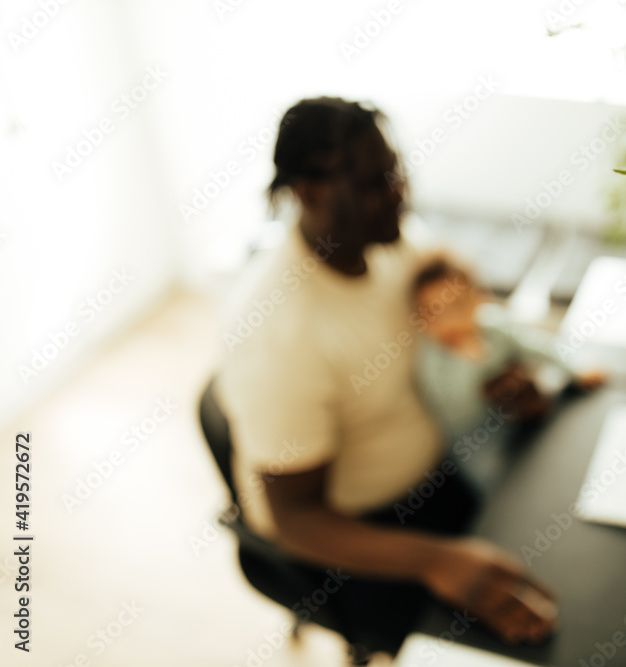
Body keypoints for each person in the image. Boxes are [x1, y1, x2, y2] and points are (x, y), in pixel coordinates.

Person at [211, 97, 557, 660]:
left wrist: (504, 379)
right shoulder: (276, 331)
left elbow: (460, 321)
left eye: (395, 172)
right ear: (309, 191)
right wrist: (435, 558)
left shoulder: (390, 239)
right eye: (374, 183)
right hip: (358, 536)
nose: (398, 193)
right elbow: (294, 518)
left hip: (445, 472)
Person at [411, 256, 604, 491]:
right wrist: (469, 362)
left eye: (456, 307)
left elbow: (536, 344)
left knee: (551, 449)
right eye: (433, 313)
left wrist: (576, 368)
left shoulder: (494, 325)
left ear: (478, 299)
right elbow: (453, 410)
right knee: (495, 479)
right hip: (473, 435)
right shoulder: (433, 359)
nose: (447, 322)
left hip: (515, 414)